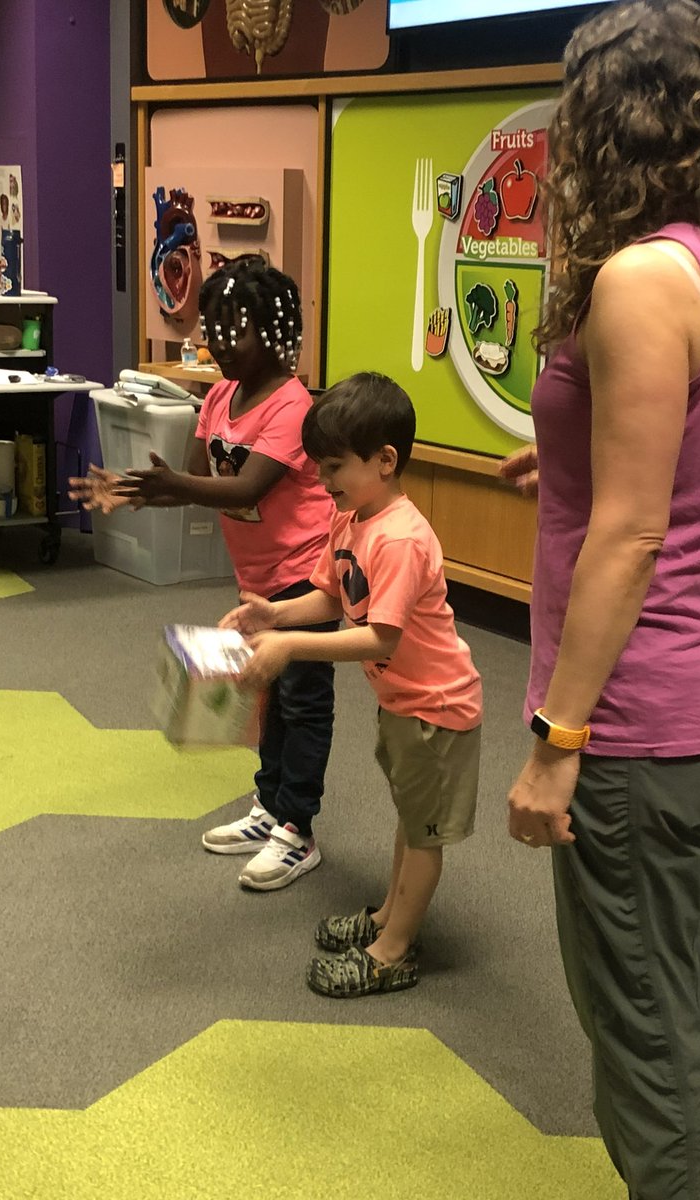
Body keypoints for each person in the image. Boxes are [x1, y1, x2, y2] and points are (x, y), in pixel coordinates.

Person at [501, 3, 700, 1199]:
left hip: (638, 712)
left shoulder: (635, 276)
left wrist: (555, 745)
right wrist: (569, 462)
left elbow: (628, 533)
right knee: (685, 965)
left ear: (608, 121)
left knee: (635, 997)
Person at [69, 257, 335, 891]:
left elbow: (244, 484)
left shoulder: (293, 408)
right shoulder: (218, 397)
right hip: (257, 574)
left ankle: (297, 827)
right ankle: (269, 805)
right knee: (266, 693)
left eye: (231, 331)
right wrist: (136, 489)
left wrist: (173, 484)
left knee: (303, 699)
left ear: (274, 332)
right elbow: (195, 482)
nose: (216, 345)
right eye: (210, 330)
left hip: (305, 574)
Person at [221, 373, 482, 997]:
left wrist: (288, 648)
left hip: (437, 709)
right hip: (402, 703)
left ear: (385, 461)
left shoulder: (399, 537)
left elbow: (379, 638)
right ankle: (387, 917)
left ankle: (392, 951)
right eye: (319, 467)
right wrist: (274, 615)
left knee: (423, 835)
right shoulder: (351, 520)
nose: (323, 480)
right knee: (408, 817)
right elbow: (327, 595)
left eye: (334, 467)